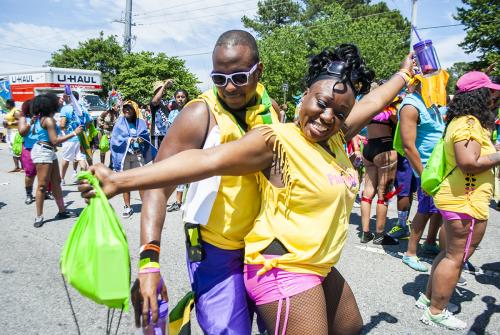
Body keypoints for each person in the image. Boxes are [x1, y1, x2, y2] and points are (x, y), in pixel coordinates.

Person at [79, 40, 415, 333]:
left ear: (258, 72)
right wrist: (122, 186)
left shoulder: (311, 125)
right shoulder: (246, 128)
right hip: (231, 251)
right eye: (219, 78)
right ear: (306, 95)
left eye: (240, 76)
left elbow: (370, 103)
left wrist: (404, 75)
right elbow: (203, 162)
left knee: (348, 326)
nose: (229, 86)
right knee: (229, 330)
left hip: (289, 252)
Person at [418, 71, 500, 330]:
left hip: (459, 198)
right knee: (455, 257)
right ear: (479, 94)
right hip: (465, 200)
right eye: (490, 91)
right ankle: (436, 311)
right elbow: (468, 163)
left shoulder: (462, 121)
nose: (494, 97)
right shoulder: (468, 124)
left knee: (448, 253)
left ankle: (429, 299)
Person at [400, 77, 444, 272]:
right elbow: (408, 146)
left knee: (438, 207)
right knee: (425, 208)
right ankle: (410, 253)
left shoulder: (433, 104)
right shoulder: (411, 105)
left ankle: (430, 243)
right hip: (426, 168)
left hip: (440, 166)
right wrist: (423, 174)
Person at [30, 93, 81, 227]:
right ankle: (39, 216)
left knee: (56, 182)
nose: (60, 103)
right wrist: (74, 133)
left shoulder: (43, 118)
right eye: (57, 101)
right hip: (43, 152)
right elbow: (54, 140)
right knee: (42, 186)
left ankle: (62, 211)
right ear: (50, 105)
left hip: (47, 151)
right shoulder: (48, 120)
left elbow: (38, 133)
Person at [360, 82, 399, 245]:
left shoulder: (366, 108)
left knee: (368, 191)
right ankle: (380, 235)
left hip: (368, 148)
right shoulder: (388, 110)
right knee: (385, 193)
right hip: (385, 148)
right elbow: (400, 125)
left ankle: (365, 233)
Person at [110, 100, 156, 218]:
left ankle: (145, 206)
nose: (126, 110)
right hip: (125, 156)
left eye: (129, 108)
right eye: (125, 108)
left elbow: (145, 136)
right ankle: (127, 207)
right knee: (126, 182)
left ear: (135, 110)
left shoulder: (140, 123)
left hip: (137, 155)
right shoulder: (119, 123)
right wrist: (128, 140)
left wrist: (140, 140)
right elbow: (115, 140)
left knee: (140, 182)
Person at [60, 91, 92, 184]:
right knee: (81, 158)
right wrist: (83, 128)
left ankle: (62, 179)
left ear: (70, 97)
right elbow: (89, 121)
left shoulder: (65, 109)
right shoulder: (83, 108)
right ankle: (83, 178)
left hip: (70, 137)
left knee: (66, 159)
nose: (63, 98)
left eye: (65, 96)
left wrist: (64, 128)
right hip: (81, 137)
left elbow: (62, 124)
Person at [166, 89, 189, 212]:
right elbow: (169, 131)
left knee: (190, 174)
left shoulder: (192, 110)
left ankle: (189, 201)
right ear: (175, 98)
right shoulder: (172, 113)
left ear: (186, 98)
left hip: (190, 146)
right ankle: (179, 202)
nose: (180, 99)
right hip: (176, 147)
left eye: (183, 96)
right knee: (179, 174)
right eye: (178, 97)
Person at [18, 99, 37, 205]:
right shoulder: (23, 119)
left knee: (46, 172)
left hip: (42, 148)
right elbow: (22, 133)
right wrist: (30, 123)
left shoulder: (40, 117)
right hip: (29, 149)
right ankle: (29, 194)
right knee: (30, 173)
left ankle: (47, 192)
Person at [150, 79, 174, 148]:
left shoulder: (165, 101)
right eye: (160, 88)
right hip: (157, 134)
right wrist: (164, 85)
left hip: (167, 133)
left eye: (163, 88)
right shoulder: (153, 100)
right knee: (157, 156)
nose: (163, 89)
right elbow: (155, 101)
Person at [97, 97, 120, 165]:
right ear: (112, 106)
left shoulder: (118, 114)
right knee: (103, 149)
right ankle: (102, 164)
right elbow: (99, 119)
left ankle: (111, 165)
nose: (118, 108)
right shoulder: (105, 113)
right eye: (117, 106)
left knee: (113, 150)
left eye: (119, 107)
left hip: (113, 134)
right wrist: (103, 125)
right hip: (104, 133)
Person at [3, 99, 22, 172]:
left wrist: (10, 123)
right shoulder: (10, 111)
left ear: (9, 104)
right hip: (9, 131)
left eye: (6, 104)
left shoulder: (16, 111)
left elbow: (20, 120)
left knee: (17, 148)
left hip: (15, 131)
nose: (5, 105)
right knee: (12, 149)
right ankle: (17, 166)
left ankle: (23, 167)